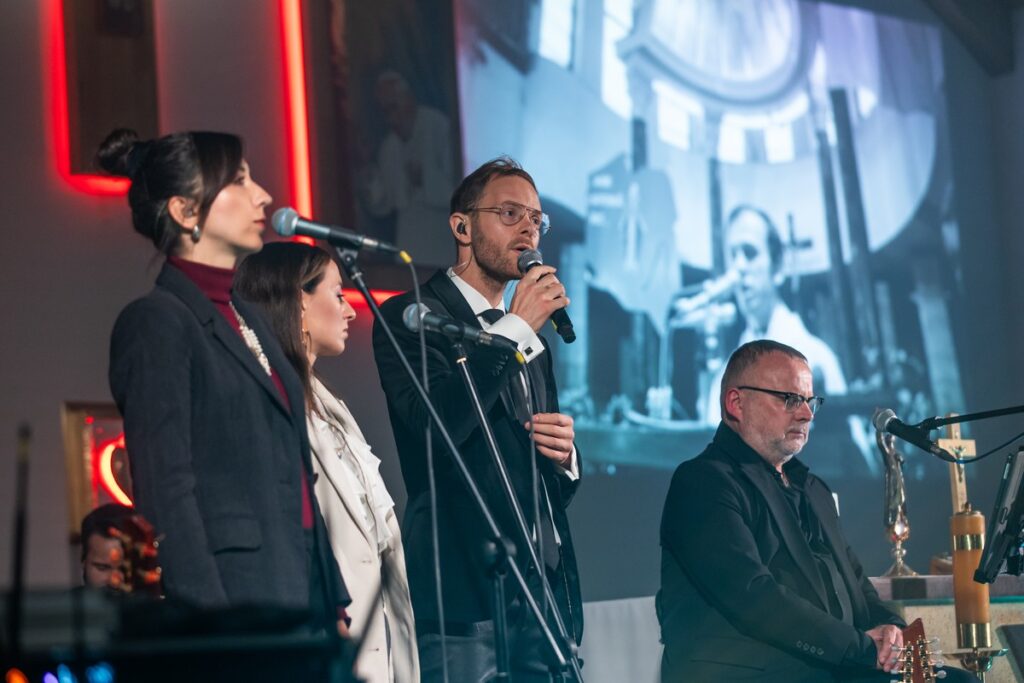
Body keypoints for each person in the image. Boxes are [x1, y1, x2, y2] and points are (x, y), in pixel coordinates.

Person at [101, 129, 349, 628]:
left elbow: (293, 473)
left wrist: (332, 599)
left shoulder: (248, 316)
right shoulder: (158, 322)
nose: (263, 195)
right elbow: (167, 491)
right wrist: (210, 623)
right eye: (239, 181)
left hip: (299, 593)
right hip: (238, 599)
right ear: (185, 211)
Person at [372, 157, 583, 681]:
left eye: (536, 219)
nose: (529, 228)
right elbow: (433, 428)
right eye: (510, 213)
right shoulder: (412, 317)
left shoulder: (530, 338)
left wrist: (565, 459)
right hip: (463, 600)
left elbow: (530, 477)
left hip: (539, 598)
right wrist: (514, 331)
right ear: (462, 227)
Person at [657, 339, 978, 682]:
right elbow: (753, 595)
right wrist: (860, 648)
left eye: (811, 401)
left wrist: (891, 630)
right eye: (790, 398)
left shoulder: (813, 490)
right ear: (736, 402)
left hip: (835, 666)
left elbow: (857, 585)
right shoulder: (703, 481)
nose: (807, 413)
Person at [236, 242, 418, 682]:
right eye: (338, 295)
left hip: (379, 644)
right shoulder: (258, 396)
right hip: (319, 644)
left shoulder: (330, 404)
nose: (351, 310)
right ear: (299, 299)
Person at [704, 205, 846, 424]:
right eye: (733, 256)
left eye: (750, 253)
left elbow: (847, 451)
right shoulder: (724, 379)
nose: (739, 267)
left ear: (778, 267)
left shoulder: (816, 357)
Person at [358, 70, 456, 264]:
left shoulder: (437, 127)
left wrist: (425, 179)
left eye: (394, 107)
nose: (391, 117)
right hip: (409, 240)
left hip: (441, 237)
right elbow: (384, 204)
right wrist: (368, 176)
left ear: (409, 99)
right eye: (385, 111)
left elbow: (461, 191)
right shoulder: (389, 146)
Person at [80, 503, 134, 590]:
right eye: (103, 568)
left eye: (124, 570)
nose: (114, 581)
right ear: (84, 562)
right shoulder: (63, 603)